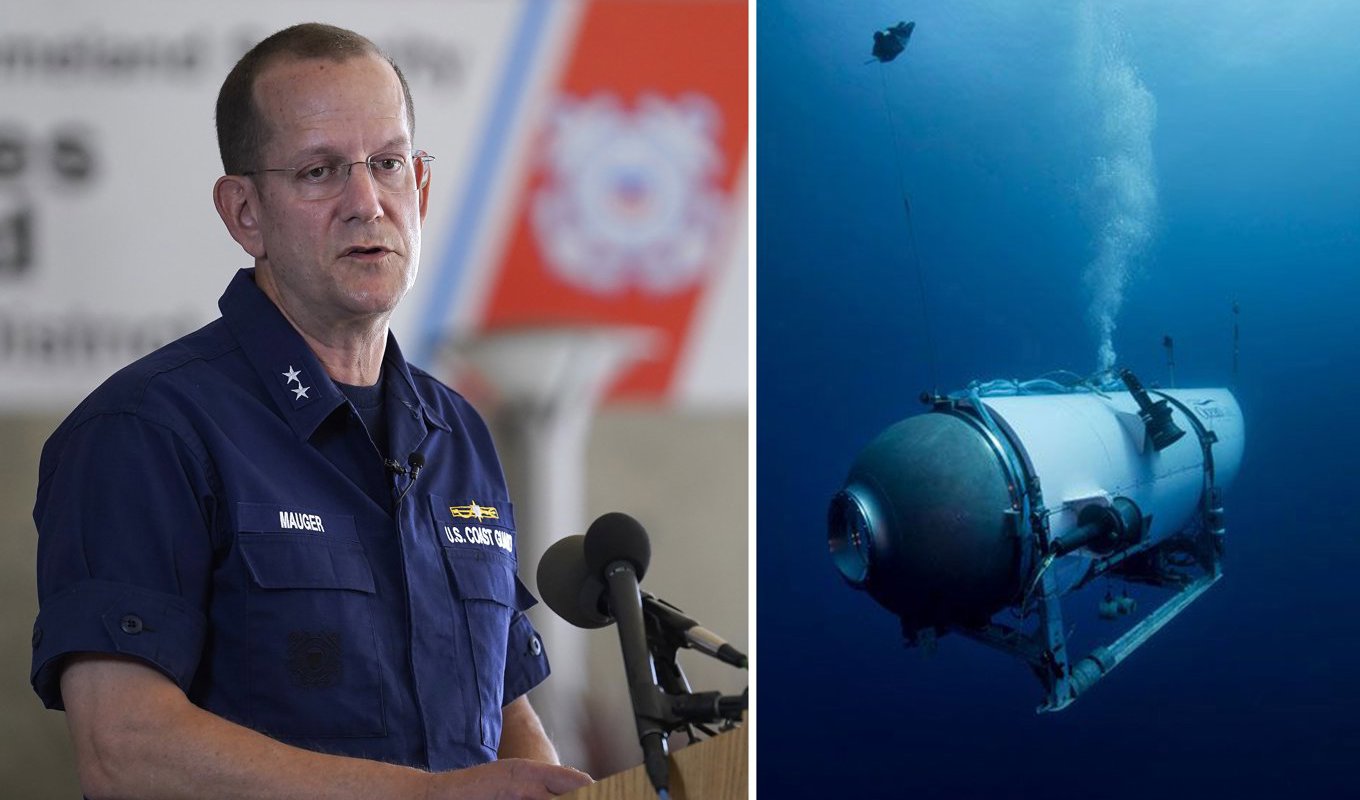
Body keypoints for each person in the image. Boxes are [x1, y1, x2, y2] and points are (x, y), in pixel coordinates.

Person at [30, 23, 593, 799]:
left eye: (389, 164)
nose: (368, 204)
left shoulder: (457, 431)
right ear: (245, 213)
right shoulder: (144, 432)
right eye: (321, 171)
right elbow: (125, 751)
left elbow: (502, 710)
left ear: (419, 190)